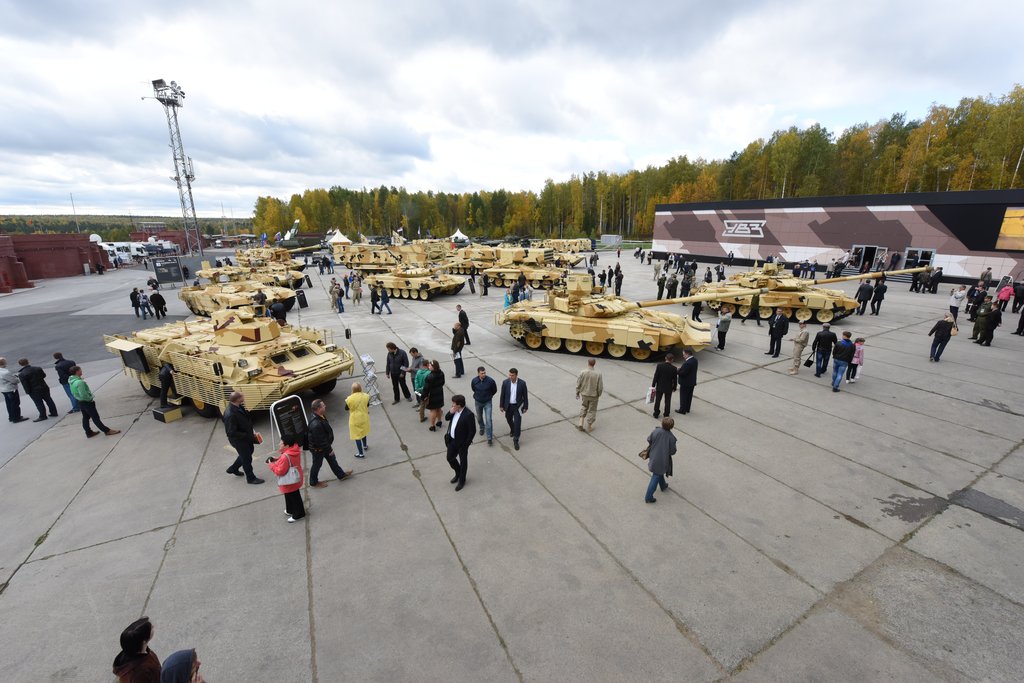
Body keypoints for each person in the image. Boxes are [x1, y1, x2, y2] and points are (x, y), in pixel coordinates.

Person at [306, 399, 354, 488]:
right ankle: (314, 482)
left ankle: (341, 475)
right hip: (319, 449)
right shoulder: (316, 424)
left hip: (324, 446)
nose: (325, 406)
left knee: (332, 461)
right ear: (318, 408)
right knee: (317, 465)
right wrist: (329, 449)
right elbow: (320, 440)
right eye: (323, 405)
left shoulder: (320, 416)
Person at [222, 391, 264, 484]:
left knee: (249, 451)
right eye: (242, 396)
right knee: (247, 458)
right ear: (237, 399)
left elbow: (245, 419)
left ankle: (233, 468)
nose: (244, 397)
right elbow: (231, 432)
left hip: (246, 436)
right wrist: (246, 435)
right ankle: (251, 478)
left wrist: (251, 431)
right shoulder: (230, 414)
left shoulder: (238, 406)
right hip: (239, 440)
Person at [68, 366, 121, 437]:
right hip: (87, 402)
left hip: (80, 402)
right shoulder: (79, 382)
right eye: (80, 370)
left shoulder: (72, 381)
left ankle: (88, 432)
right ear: (77, 371)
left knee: (85, 417)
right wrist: (90, 399)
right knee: (95, 417)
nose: (81, 371)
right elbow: (84, 395)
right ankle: (107, 431)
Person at [266, 434, 306, 523]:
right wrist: (277, 459)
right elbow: (288, 459)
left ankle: (299, 514)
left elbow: (280, 471)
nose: (279, 444)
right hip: (295, 476)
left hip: (289, 481)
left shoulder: (285, 456)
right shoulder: (294, 450)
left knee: (294, 498)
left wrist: (271, 465)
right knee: (289, 496)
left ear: (287, 445)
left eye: (281, 443)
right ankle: (290, 510)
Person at [112, 616, 160, 683]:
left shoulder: (136, 650)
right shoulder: (139, 673)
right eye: (151, 628)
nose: (153, 627)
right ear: (143, 641)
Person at [444, 394, 477, 491]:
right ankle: (458, 473)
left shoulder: (468, 415)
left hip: (462, 443)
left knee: (463, 462)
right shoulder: (454, 411)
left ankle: (462, 480)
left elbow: (472, 431)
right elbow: (446, 418)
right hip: (452, 440)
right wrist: (450, 412)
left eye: (454, 404)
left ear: (459, 405)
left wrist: (466, 444)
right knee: (450, 458)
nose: (452, 405)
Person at [644, 417, 677, 504]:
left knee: (658, 472)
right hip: (662, 459)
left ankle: (663, 485)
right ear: (672, 427)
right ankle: (649, 497)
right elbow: (673, 451)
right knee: (656, 475)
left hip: (653, 456)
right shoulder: (671, 437)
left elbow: (649, 439)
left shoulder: (656, 431)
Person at [499, 368, 528, 450]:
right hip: (508, 406)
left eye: (512, 375)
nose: (510, 377)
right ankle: (512, 429)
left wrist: (525, 406)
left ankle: (516, 440)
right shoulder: (505, 383)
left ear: (516, 375)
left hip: (517, 406)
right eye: (509, 375)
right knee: (508, 418)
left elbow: (525, 396)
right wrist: (501, 405)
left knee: (517, 423)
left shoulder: (522, 383)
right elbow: (502, 395)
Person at [471, 366, 498, 445]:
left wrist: (489, 396)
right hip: (478, 402)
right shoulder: (474, 381)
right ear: (478, 373)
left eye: (484, 373)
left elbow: (494, 390)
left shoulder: (490, 381)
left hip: (487, 402)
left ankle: (489, 438)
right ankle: (482, 427)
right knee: (479, 418)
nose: (484, 374)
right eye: (482, 373)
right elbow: (473, 388)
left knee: (488, 420)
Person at [575, 358, 603, 432]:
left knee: (584, 407)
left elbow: (578, 383)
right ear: (595, 364)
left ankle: (580, 423)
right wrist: (599, 394)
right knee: (592, 410)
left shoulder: (582, 372)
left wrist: (577, 392)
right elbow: (600, 387)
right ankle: (589, 426)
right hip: (594, 395)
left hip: (584, 394)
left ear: (588, 363)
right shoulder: (598, 374)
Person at [345, 382, 371, 458]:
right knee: (363, 432)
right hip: (364, 417)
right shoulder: (366, 396)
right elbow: (368, 405)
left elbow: (346, 408)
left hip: (355, 419)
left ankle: (361, 453)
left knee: (357, 436)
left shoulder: (349, 399)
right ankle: (365, 446)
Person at [0, 357, 28, 423]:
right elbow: (15, 381)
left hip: (3, 389)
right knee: (15, 403)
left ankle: (11, 417)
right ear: (4, 363)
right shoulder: (5, 372)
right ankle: (16, 418)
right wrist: (17, 378)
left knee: (9, 404)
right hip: (11, 389)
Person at [650, 354, 676, 419]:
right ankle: (666, 414)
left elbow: (656, 376)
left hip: (660, 386)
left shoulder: (659, 366)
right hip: (668, 387)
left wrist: (653, 385)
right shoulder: (674, 368)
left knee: (658, 400)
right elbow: (675, 380)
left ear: (665, 358)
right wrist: (674, 388)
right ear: (672, 360)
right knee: (667, 401)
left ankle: (656, 413)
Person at [423, 360, 447, 431]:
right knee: (439, 408)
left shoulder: (429, 376)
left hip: (432, 394)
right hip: (439, 392)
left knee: (433, 410)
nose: (429, 366)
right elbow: (443, 382)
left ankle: (432, 425)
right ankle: (439, 421)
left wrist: (424, 396)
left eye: (430, 366)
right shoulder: (441, 373)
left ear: (433, 367)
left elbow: (426, 388)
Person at [675, 349, 698, 415]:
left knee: (683, 396)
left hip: (685, 383)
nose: (683, 356)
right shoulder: (694, 360)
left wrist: (677, 371)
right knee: (689, 396)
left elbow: (683, 373)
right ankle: (687, 408)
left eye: (684, 354)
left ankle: (682, 410)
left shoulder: (687, 363)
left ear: (687, 354)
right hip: (692, 382)